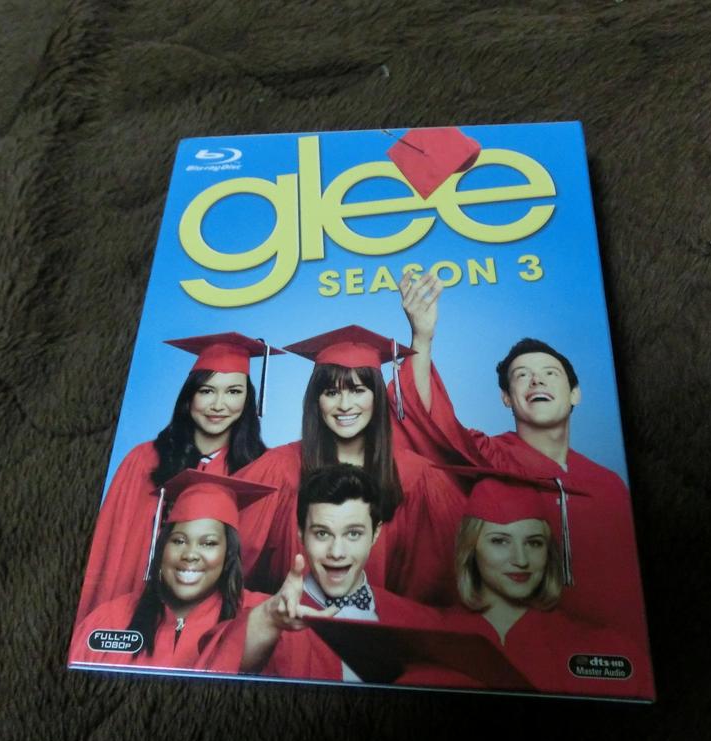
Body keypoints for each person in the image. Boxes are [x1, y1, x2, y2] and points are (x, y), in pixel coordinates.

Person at [393, 273, 651, 649]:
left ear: (575, 394)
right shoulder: (490, 456)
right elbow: (430, 423)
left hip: (609, 647)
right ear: (506, 398)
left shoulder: (609, 485)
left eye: (550, 374)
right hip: (524, 644)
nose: (536, 382)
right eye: (522, 376)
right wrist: (422, 337)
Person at [235, 325, 464, 606]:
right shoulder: (278, 469)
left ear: (377, 396)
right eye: (331, 392)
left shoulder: (417, 476)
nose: (345, 405)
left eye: (357, 390)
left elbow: (446, 579)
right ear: (316, 400)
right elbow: (226, 557)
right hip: (293, 628)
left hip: (384, 629)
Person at [74, 332, 280, 625]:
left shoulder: (264, 469)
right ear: (189, 395)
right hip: (134, 614)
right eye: (207, 391)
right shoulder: (144, 460)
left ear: (248, 399)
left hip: (213, 624)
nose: (219, 405)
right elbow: (111, 548)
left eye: (234, 391)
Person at [433, 470, 654, 700]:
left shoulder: (606, 649)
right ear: (470, 548)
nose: (521, 560)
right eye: (499, 541)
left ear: (549, 551)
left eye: (534, 543)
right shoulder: (433, 636)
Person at [236, 464, 441, 682]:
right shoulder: (269, 619)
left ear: (375, 533)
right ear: (301, 533)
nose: (336, 553)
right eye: (322, 534)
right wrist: (270, 620)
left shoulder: (411, 621)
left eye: (353, 534)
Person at [69, 470, 276, 673]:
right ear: (162, 548)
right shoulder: (110, 620)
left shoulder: (262, 617)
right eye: (178, 541)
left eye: (208, 543)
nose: (190, 554)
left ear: (228, 554)